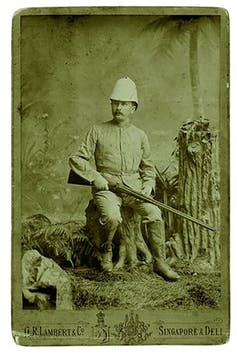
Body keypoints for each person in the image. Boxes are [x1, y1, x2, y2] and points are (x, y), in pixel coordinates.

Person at [69, 77, 179, 281]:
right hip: (107, 190)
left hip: (134, 190)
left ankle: (160, 263)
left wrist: (148, 186)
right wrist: (95, 178)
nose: (118, 108)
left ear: (133, 108)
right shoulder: (97, 130)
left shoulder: (140, 136)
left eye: (124, 104)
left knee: (154, 213)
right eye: (115, 103)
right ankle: (106, 251)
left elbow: (147, 167)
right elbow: (76, 158)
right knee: (112, 217)